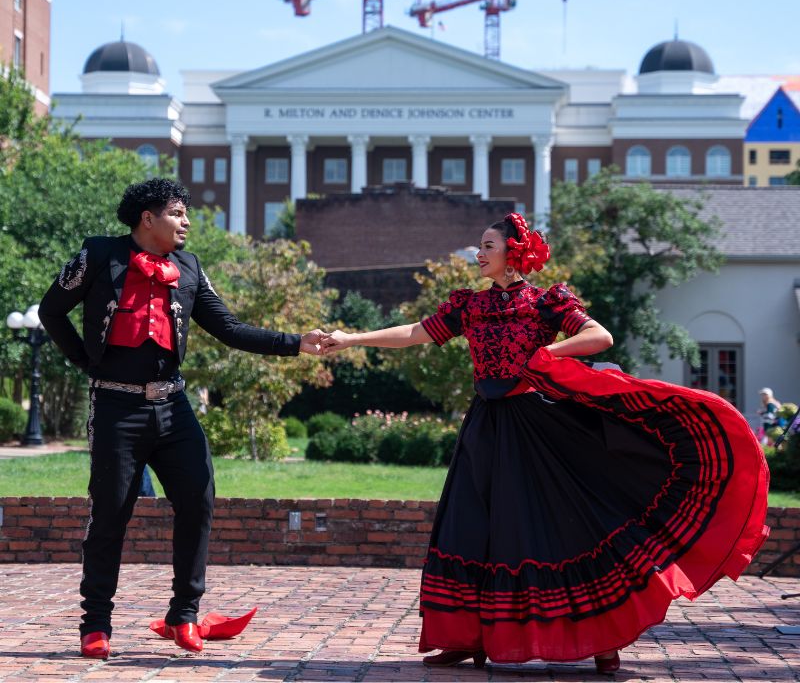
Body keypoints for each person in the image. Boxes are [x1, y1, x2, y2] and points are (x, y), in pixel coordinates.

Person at [321, 212, 769, 674]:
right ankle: (465, 636)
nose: (480, 253)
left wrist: (548, 353)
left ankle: (601, 637)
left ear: (513, 253)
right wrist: (350, 338)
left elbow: (600, 336)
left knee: (557, 527)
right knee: (471, 526)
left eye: (488, 246)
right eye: (481, 245)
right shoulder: (469, 306)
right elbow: (416, 333)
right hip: (484, 428)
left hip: (536, 428)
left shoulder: (544, 303)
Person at [39, 178, 326, 661]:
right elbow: (51, 311)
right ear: (147, 218)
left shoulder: (189, 267)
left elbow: (231, 329)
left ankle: (184, 615)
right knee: (110, 513)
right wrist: (86, 362)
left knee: (199, 500)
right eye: (177, 212)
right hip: (115, 408)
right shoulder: (97, 254)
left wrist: (296, 342)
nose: (187, 221)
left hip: (173, 408)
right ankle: (95, 625)